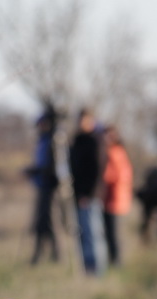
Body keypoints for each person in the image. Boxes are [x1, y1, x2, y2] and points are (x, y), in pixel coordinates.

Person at [69, 108, 107, 275]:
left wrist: (88, 194)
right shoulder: (77, 140)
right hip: (77, 194)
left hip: (90, 196)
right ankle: (86, 268)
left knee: (93, 232)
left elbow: (98, 171)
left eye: (84, 120)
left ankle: (97, 270)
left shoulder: (96, 141)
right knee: (82, 233)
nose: (81, 123)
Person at [25, 104, 61, 264]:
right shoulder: (42, 140)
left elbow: (53, 167)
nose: (40, 126)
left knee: (49, 221)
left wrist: (34, 171)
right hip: (41, 185)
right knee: (41, 222)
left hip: (50, 187)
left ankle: (54, 255)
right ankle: (41, 255)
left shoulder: (54, 141)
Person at [101, 125, 134, 266]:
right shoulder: (116, 152)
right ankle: (113, 260)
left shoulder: (115, 152)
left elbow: (116, 175)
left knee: (112, 233)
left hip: (115, 198)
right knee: (109, 232)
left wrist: (100, 177)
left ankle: (116, 261)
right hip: (111, 198)